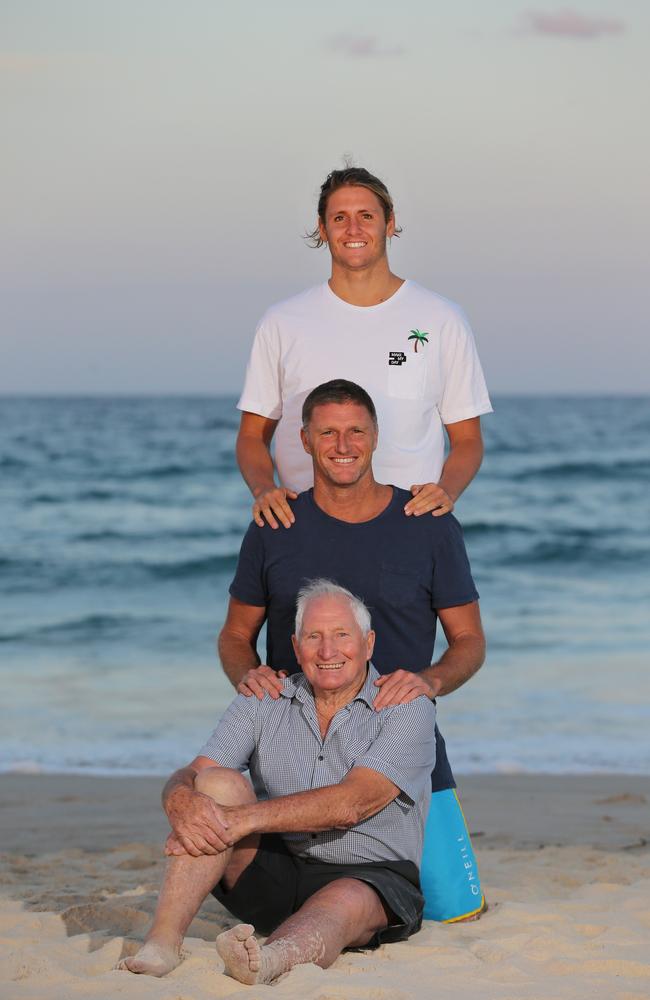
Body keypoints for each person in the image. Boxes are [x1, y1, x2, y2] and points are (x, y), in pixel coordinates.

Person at [220, 379, 487, 922]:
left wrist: (430, 682)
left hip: (398, 750)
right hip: (295, 753)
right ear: (304, 440)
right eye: (328, 433)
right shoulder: (277, 526)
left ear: (375, 437)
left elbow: (470, 642)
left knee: (454, 910)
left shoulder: (428, 525)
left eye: (355, 432)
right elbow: (233, 636)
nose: (343, 445)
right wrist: (250, 677)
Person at [119, 583, 435, 985]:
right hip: (274, 872)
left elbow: (352, 803)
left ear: (368, 644)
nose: (327, 651)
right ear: (295, 644)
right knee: (214, 783)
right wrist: (179, 799)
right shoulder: (264, 698)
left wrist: (240, 821)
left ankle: (267, 961)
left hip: (370, 878)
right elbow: (194, 773)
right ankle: (161, 943)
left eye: (342, 635)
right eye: (313, 636)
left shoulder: (406, 707)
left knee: (344, 900)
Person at [236, 165, 492, 531]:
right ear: (323, 229)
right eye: (340, 218)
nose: (353, 230)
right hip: (304, 526)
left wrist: (445, 492)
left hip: (410, 525)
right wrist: (264, 490)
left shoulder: (440, 318)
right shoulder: (283, 322)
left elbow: (467, 440)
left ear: (389, 224)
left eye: (366, 216)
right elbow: (250, 436)